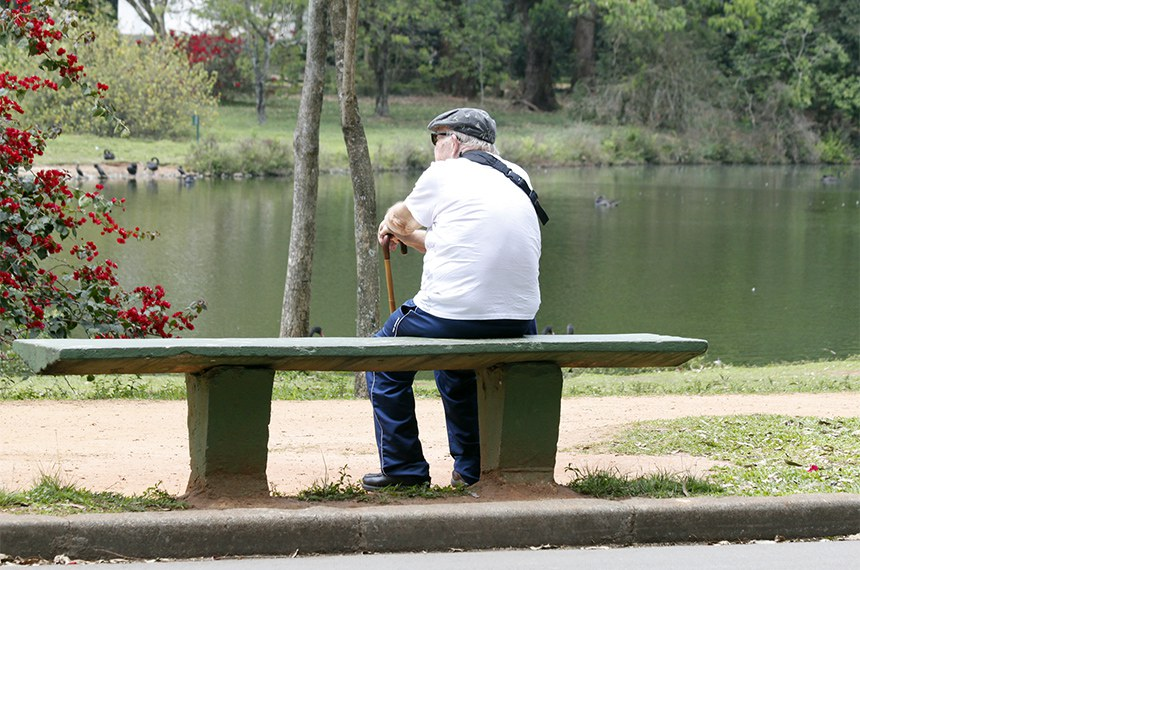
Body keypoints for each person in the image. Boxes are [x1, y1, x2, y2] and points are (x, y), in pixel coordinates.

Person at [364, 108, 543, 490]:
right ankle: (470, 470)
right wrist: (410, 236)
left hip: (453, 313)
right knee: (455, 366)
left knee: (381, 359)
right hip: (519, 319)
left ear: (455, 142)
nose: (434, 147)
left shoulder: (444, 173)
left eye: (437, 138)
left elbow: (399, 220)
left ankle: (404, 471)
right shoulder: (517, 176)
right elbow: (453, 242)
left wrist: (394, 227)